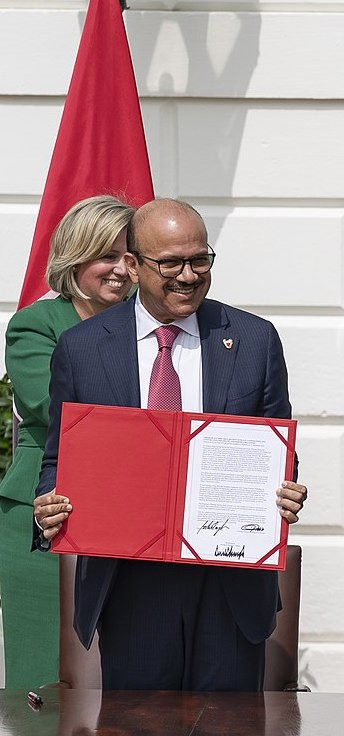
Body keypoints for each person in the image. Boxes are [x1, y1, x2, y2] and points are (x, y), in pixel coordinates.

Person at [31, 198, 308, 691]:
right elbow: (59, 458)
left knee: (230, 727)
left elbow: (277, 452)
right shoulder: (82, 348)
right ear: (133, 266)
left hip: (229, 583)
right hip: (130, 585)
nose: (188, 275)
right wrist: (49, 504)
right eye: (171, 264)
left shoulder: (253, 339)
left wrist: (286, 489)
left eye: (200, 260)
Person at [1, 195, 135, 689]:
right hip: (46, 515)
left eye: (130, 256)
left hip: (133, 516)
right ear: (74, 258)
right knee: (43, 676)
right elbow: (51, 408)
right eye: (106, 255)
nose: (120, 269)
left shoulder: (155, 332)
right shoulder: (37, 324)